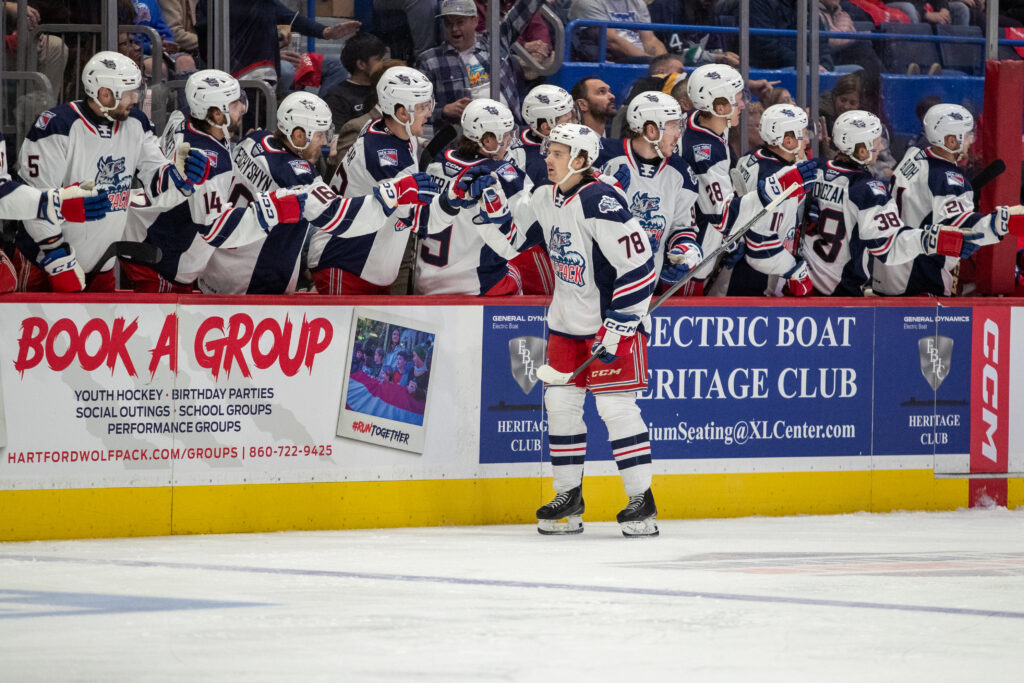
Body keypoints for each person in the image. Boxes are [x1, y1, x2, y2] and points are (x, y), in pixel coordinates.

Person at [475, 124, 661, 537]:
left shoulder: (601, 201)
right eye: (549, 152)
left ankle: (640, 501)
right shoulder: (543, 196)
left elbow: (640, 266)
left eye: (558, 153)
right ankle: (568, 498)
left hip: (610, 325)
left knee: (616, 410)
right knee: (560, 407)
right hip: (564, 325)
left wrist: (621, 323)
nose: (549, 159)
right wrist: (487, 208)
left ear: (580, 159)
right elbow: (511, 242)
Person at [197, 91, 438, 294]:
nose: (324, 142)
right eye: (320, 134)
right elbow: (338, 217)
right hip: (253, 285)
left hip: (215, 269)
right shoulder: (297, 175)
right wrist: (392, 194)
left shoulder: (255, 140)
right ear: (299, 135)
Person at [13, 51, 210, 292]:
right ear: (105, 93)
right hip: (43, 263)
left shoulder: (136, 123)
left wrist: (180, 177)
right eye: (129, 92)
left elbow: (156, 180)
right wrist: (57, 257)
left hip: (101, 266)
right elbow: (34, 199)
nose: (135, 99)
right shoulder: (56, 126)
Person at [122, 70, 305, 292]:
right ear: (217, 115)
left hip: (146, 233)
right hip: (162, 261)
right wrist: (272, 210)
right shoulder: (209, 164)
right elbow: (214, 229)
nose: (242, 108)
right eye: (236, 103)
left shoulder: (183, 116)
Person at [804, 109, 985, 296]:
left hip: (802, 287)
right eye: (876, 142)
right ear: (862, 150)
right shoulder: (869, 191)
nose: (881, 148)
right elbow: (891, 246)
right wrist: (936, 240)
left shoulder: (815, 169)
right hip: (840, 296)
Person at [676, 64, 817, 295]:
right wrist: (776, 188)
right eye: (736, 100)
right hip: (691, 258)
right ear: (719, 107)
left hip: (693, 245)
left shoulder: (695, 120)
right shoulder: (705, 152)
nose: (742, 105)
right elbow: (723, 218)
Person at [873, 104, 1023, 296]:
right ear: (951, 141)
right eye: (967, 135)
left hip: (888, 275)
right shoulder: (948, 180)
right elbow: (962, 228)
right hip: (919, 285)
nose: (971, 139)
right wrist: (1004, 221)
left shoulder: (913, 155)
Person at [312, 66, 436, 295]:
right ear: (401, 113)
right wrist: (456, 198)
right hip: (345, 262)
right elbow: (418, 219)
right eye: (422, 107)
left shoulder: (385, 129)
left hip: (367, 265)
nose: (429, 113)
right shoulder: (384, 158)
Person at [601, 91, 704, 297]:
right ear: (651, 130)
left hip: (643, 288)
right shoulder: (602, 158)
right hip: (597, 285)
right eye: (673, 126)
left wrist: (686, 252)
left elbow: (682, 228)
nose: (678, 134)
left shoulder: (682, 173)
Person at [418, 99, 526, 295]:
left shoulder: (435, 160)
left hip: (425, 281)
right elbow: (532, 221)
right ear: (487, 141)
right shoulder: (498, 172)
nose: (510, 140)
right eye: (506, 135)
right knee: (519, 269)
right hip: (474, 287)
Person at [710, 103, 815, 297]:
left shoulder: (751, 157)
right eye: (803, 134)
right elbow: (761, 246)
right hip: (752, 282)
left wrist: (805, 207)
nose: (807, 140)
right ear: (788, 141)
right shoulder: (782, 181)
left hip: (729, 273)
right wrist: (794, 270)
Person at [415, 0, 546, 128]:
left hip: (509, 132)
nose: (454, 29)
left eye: (460, 22)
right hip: (464, 141)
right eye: (448, 24)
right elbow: (414, 109)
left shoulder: (495, 42)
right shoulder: (429, 61)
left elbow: (526, 7)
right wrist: (444, 110)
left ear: (475, 21)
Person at [322, 33, 388, 131]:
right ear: (361, 64)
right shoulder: (336, 98)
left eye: (384, 59)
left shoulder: (386, 90)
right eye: (378, 60)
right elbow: (337, 139)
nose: (384, 64)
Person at [569, 0, 667, 62]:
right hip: (612, 58)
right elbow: (612, 42)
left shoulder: (638, 3)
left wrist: (664, 61)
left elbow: (650, 40)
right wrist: (652, 62)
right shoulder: (588, 2)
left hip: (643, 59)